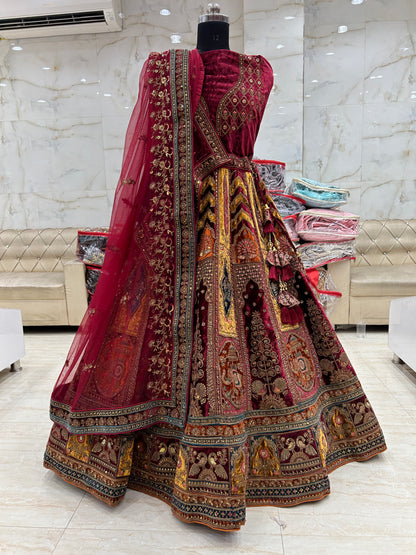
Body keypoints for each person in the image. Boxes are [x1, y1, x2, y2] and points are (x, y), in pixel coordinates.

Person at [44, 4, 386, 531]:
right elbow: (149, 153)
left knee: (258, 316)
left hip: (244, 214)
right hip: (181, 217)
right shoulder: (165, 70)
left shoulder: (260, 69)